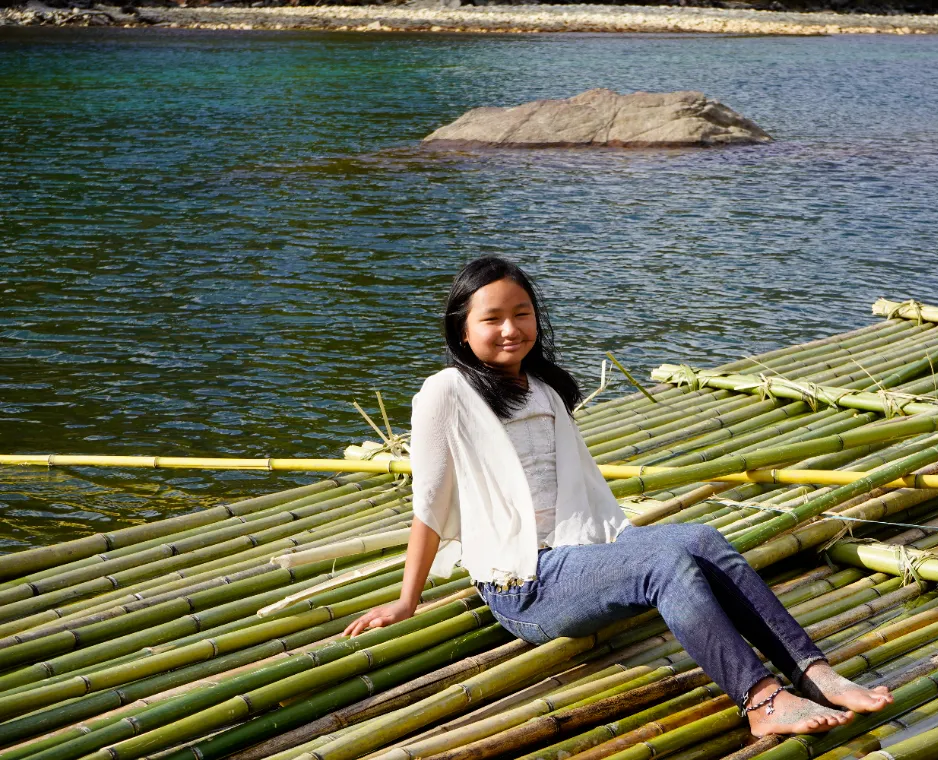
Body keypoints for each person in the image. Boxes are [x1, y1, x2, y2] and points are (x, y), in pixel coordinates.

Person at [344, 255, 892, 736]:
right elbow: (430, 504)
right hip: (525, 585)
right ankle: (761, 700)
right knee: (667, 563)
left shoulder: (542, 390)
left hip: (576, 557)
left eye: (522, 314)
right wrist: (406, 600)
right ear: (462, 331)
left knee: (701, 536)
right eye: (491, 319)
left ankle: (811, 671)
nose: (510, 328)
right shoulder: (446, 392)